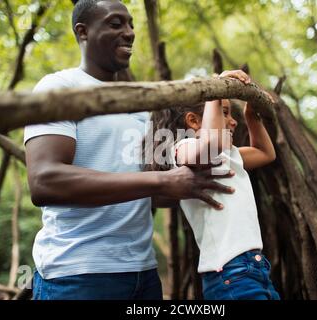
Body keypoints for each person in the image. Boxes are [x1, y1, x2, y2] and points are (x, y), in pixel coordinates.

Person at [24, 0, 234, 300]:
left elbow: (151, 195)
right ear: (82, 32)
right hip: (77, 274)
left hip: (143, 275)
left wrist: (194, 182)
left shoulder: (141, 105)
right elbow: (44, 182)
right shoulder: (58, 87)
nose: (130, 32)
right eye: (115, 23)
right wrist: (162, 181)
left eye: (131, 24)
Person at [147, 69, 281, 300]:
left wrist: (252, 115)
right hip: (230, 272)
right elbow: (210, 143)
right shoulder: (182, 148)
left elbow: (265, 153)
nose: (233, 121)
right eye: (224, 112)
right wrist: (215, 90)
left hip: (255, 267)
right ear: (194, 121)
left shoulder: (229, 154)